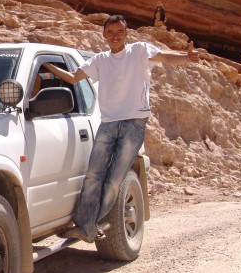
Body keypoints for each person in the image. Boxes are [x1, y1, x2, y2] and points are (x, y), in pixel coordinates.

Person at [43, 14, 199, 242]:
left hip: (134, 123)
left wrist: (186, 57)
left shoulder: (139, 51)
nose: (115, 36)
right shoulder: (99, 60)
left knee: (115, 178)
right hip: (107, 123)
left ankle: (92, 222)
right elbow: (73, 78)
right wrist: (46, 66)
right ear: (104, 35)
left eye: (119, 32)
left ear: (126, 34)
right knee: (93, 175)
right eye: (110, 33)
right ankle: (86, 225)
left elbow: (166, 58)